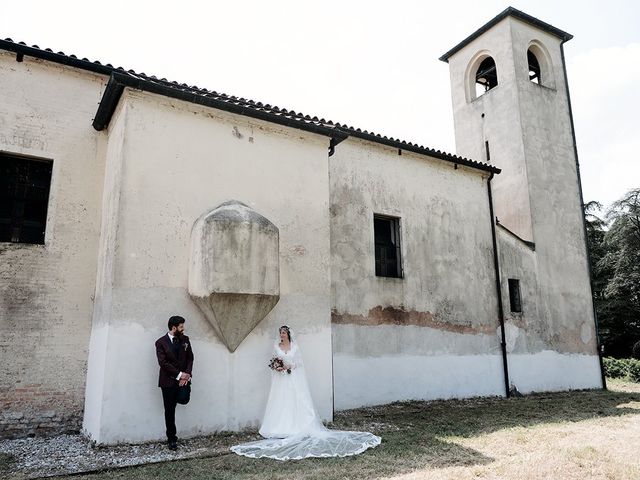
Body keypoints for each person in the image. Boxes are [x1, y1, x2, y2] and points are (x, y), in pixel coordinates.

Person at [231, 325, 381, 460]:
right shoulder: (276, 346)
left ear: (288, 334)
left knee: (294, 400)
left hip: (292, 378)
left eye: (284, 333)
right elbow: (274, 361)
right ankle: (278, 427)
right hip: (280, 380)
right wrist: (278, 367)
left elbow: (299, 363)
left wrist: (288, 366)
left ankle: (296, 426)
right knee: (281, 401)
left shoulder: (295, 347)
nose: (282, 335)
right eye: (280, 333)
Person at [155, 315, 194, 450]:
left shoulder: (185, 340)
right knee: (169, 411)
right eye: (181, 326)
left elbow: (190, 358)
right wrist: (179, 374)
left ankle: (183, 389)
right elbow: (163, 363)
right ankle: (172, 439)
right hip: (167, 382)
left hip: (183, 381)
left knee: (184, 399)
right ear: (174, 327)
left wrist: (186, 375)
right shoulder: (160, 343)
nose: (183, 329)